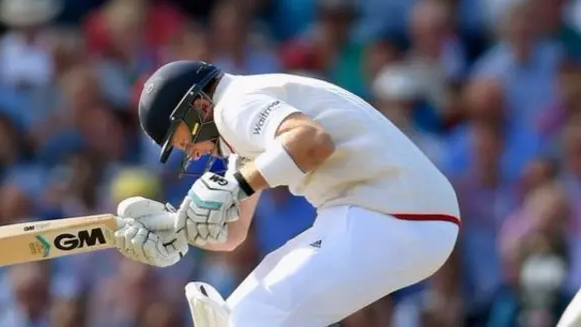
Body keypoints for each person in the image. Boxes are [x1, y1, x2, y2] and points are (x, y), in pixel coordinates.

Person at [112, 60, 461, 327]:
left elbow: (313, 140)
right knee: (235, 314)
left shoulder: (234, 106)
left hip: (397, 216)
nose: (196, 153)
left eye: (186, 140)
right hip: (388, 215)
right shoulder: (243, 124)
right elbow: (233, 234)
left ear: (200, 108)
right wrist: (177, 232)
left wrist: (237, 185)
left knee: (253, 316)